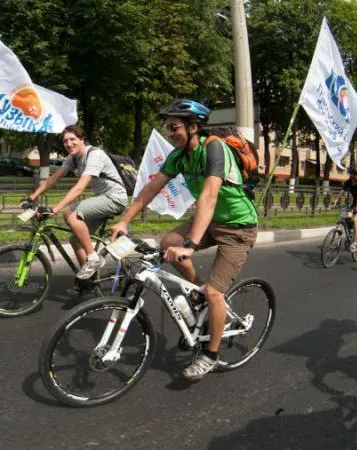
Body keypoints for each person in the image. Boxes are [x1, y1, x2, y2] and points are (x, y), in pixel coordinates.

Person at [110, 99, 258, 381]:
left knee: (216, 293)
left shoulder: (214, 147)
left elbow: (209, 196)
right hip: (212, 221)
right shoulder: (178, 156)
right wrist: (124, 221)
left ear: (193, 127)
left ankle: (210, 356)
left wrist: (190, 245)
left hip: (239, 227)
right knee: (168, 241)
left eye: (174, 126)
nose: (169, 132)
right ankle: (198, 293)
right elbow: (149, 190)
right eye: (166, 127)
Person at [23, 125, 128, 279]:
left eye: (73, 139)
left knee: (70, 212)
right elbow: (54, 178)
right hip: (102, 197)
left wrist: (54, 209)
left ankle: (93, 258)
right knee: (75, 240)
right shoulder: (73, 158)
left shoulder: (94, 155)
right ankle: (91, 280)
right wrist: (31, 197)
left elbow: (80, 188)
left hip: (115, 198)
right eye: (65, 141)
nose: (69, 144)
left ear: (82, 140)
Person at [331, 165, 357, 252]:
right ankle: (351, 231)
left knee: (355, 220)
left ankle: (354, 243)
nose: (355, 176)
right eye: (353, 174)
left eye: (356, 174)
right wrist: (335, 201)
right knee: (345, 216)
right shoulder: (349, 182)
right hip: (355, 202)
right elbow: (342, 192)